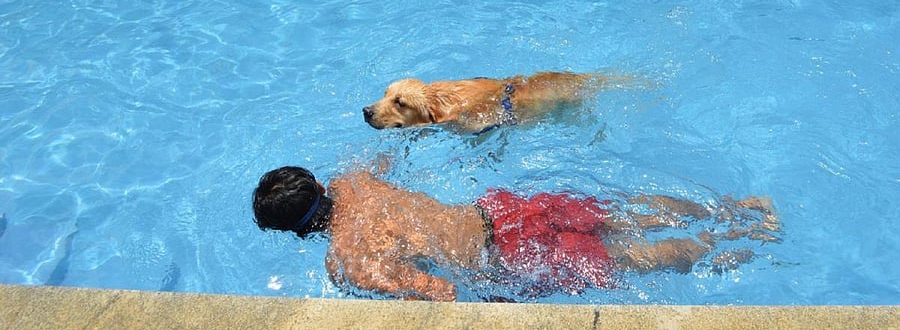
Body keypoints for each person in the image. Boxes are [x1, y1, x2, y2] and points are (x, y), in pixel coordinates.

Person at [252, 164, 780, 301]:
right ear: (319, 184)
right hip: (501, 212)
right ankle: (739, 210)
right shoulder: (356, 180)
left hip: (508, 257)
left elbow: (444, 290)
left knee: (637, 261)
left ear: (296, 233)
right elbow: (386, 159)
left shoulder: (350, 259)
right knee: (625, 215)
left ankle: (750, 243)